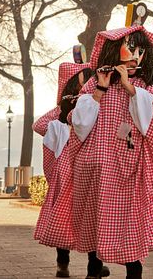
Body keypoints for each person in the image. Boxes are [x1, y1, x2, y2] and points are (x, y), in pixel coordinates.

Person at [70, 26, 153, 279]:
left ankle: (133, 271)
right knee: (95, 218)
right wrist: (100, 91)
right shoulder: (96, 82)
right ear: (114, 50)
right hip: (97, 166)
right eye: (131, 48)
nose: (136, 56)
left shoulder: (147, 88)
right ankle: (93, 269)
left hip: (130, 166)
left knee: (130, 219)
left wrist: (131, 89)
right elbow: (80, 124)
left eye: (141, 51)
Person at [33, 63, 111, 278]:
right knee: (65, 215)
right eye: (83, 80)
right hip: (69, 168)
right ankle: (63, 261)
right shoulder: (64, 107)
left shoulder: (103, 100)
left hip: (92, 165)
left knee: (93, 214)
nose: (88, 84)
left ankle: (95, 263)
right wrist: (63, 122)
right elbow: (39, 125)